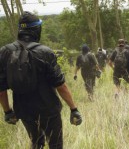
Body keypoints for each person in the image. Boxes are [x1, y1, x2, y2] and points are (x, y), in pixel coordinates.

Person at [0, 11, 82, 149]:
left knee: (36, 143)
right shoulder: (45, 52)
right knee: (55, 145)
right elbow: (61, 85)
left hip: (24, 110)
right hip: (48, 110)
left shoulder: (5, 52)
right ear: (36, 30)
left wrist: (7, 111)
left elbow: (1, 89)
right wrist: (73, 109)